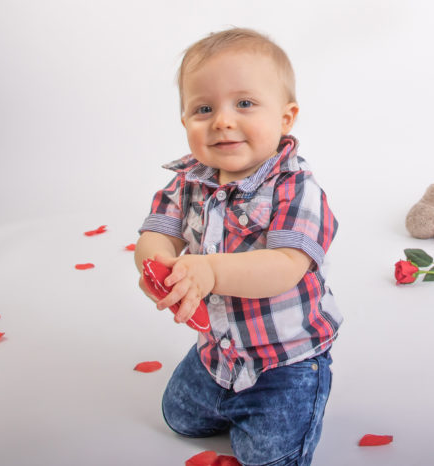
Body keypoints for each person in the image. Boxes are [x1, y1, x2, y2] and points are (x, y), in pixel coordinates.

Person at [134, 27, 342, 466]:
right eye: (203, 108)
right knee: (179, 419)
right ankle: (227, 397)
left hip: (284, 362)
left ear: (286, 118)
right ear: (185, 121)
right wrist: (158, 265)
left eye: (244, 103)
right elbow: (157, 232)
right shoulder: (188, 180)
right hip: (218, 350)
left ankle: (298, 407)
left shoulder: (296, 189)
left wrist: (209, 271)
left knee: (267, 458)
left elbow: (286, 265)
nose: (222, 120)